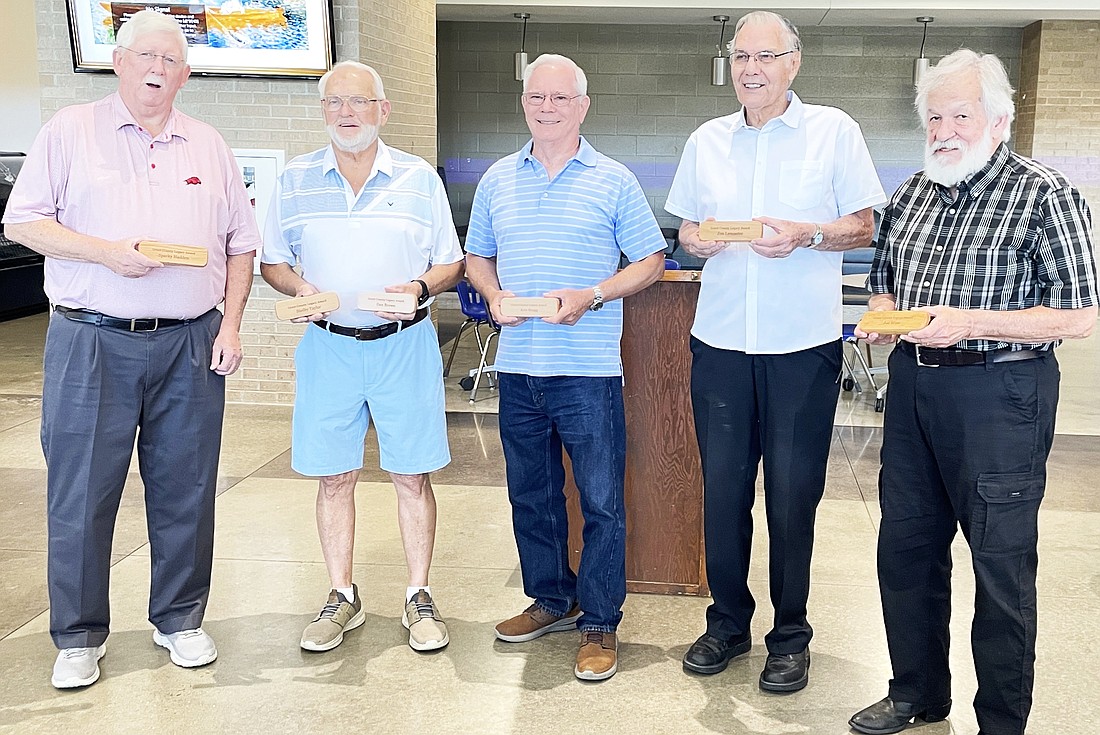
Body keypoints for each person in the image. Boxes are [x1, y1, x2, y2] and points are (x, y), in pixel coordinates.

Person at [2, 10, 258, 688]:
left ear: (187, 73)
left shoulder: (208, 144)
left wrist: (230, 325)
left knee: (187, 486)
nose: (157, 68)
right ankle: (79, 635)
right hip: (90, 340)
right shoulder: (69, 131)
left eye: (171, 60)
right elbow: (22, 220)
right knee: (81, 491)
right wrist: (108, 255)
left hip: (190, 342)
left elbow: (241, 243)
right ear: (116, 62)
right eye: (144, 55)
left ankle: (179, 618)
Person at [849, 49, 1096, 735]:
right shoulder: (909, 195)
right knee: (905, 550)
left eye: (961, 114)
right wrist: (883, 312)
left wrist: (970, 323)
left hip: (1002, 395)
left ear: (1000, 121)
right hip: (913, 394)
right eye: (935, 116)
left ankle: (1001, 722)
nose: (945, 129)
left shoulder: (1045, 194)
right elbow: (885, 280)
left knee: (1001, 568)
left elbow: (1079, 314)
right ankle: (915, 693)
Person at [664, 10, 886, 693]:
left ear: (794, 62)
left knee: (793, 498)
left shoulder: (834, 132)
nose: (751, 69)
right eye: (741, 58)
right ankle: (727, 622)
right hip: (722, 345)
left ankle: (790, 635)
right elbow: (687, 229)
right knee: (724, 493)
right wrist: (694, 239)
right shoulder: (707, 141)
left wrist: (808, 234)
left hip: (801, 348)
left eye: (765, 57)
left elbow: (864, 225)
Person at [464, 53, 665, 681]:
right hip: (519, 369)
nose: (546, 108)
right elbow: (477, 256)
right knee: (532, 494)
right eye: (536, 97)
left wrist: (594, 295)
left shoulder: (614, 179)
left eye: (559, 98)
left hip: (589, 371)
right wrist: (493, 295)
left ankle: (600, 623)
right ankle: (551, 599)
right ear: (524, 103)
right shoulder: (498, 178)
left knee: (602, 500)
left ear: (582, 105)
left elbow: (652, 260)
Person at [260, 60, 463, 654]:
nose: (347, 113)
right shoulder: (296, 180)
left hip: (405, 346)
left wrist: (420, 288)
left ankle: (418, 595)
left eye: (359, 102)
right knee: (334, 476)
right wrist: (298, 290)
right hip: (328, 347)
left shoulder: (418, 178)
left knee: (412, 474)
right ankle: (340, 595)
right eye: (335, 103)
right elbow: (273, 261)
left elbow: (449, 263)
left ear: (383, 109)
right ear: (323, 111)